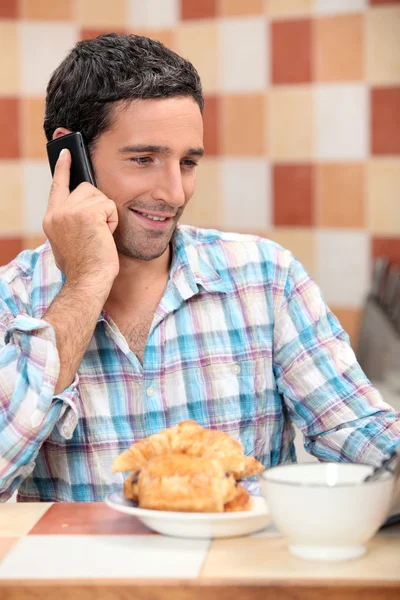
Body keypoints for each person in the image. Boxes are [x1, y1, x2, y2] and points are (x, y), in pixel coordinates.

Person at [0, 34, 399, 503]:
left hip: (240, 575)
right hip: (86, 579)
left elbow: (356, 431)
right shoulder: (14, 298)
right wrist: (87, 282)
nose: (173, 193)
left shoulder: (266, 277)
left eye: (187, 162)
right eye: (144, 159)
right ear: (68, 157)